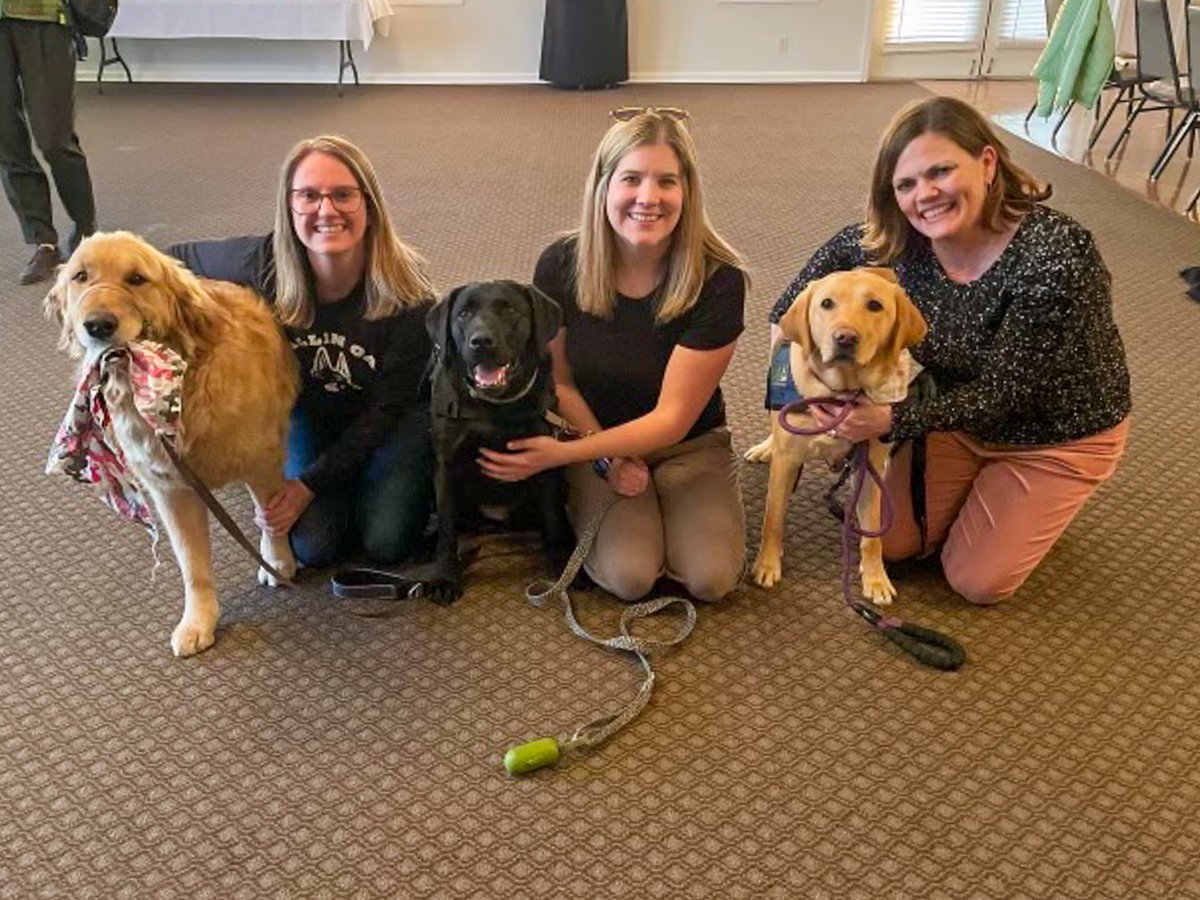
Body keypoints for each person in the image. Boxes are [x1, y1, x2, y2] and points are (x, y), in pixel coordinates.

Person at [767, 96, 1131, 605]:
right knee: (890, 545)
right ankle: (974, 495)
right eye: (907, 184)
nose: (926, 195)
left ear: (986, 163)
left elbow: (1006, 394)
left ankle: (1037, 494)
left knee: (976, 582)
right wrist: (804, 380)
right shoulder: (897, 241)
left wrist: (888, 422)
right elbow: (791, 309)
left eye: (941, 171)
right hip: (952, 419)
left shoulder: (1055, 256)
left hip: (1052, 431)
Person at [479, 107, 748, 602]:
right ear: (603, 187)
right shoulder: (560, 264)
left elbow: (671, 419)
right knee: (631, 577)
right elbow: (560, 384)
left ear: (687, 191)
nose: (648, 197)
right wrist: (604, 459)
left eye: (666, 181)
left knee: (712, 578)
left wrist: (561, 456)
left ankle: (676, 504)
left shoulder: (720, 280)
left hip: (688, 443)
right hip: (594, 430)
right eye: (631, 179)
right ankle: (628, 511)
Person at [169, 135, 437, 569]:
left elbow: (387, 410)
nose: (326, 211)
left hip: (392, 418)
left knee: (387, 542)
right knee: (314, 547)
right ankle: (347, 485)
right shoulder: (262, 263)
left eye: (344, 195)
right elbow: (169, 261)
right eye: (309, 196)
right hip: (308, 412)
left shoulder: (409, 294)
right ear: (289, 207)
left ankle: (376, 484)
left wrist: (308, 485)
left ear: (369, 206)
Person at [0, 0, 97, 284]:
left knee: (55, 139)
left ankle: (85, 227)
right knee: (7, 141)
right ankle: (44, 241)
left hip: (46, 18)